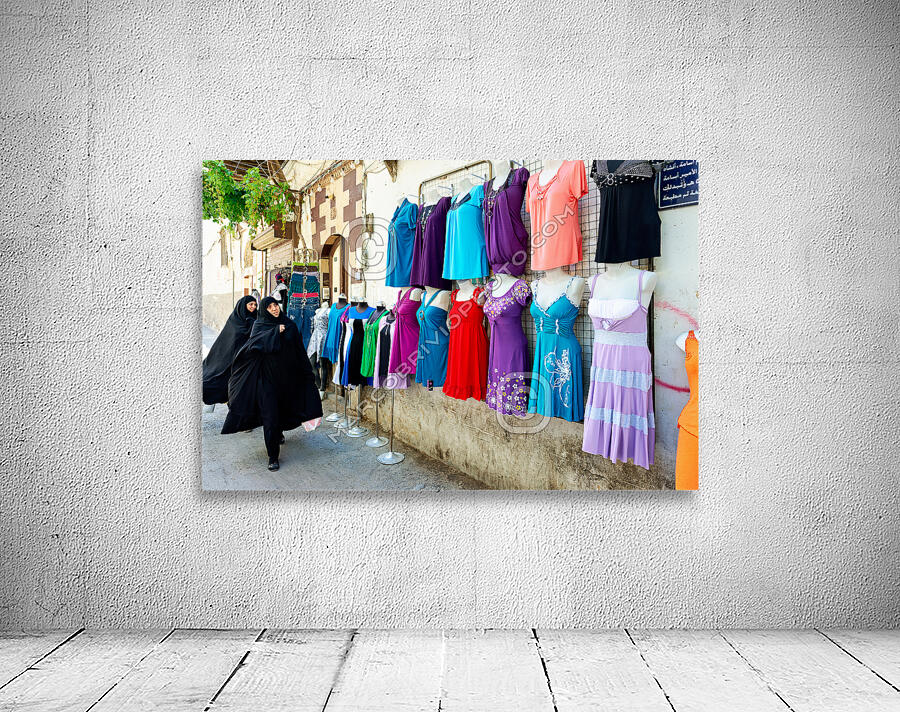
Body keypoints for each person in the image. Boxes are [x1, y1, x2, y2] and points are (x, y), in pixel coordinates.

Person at [222, 297, 323, 471]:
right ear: (264, 310)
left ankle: (279, 432)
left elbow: (299, 352)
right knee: (269, 415)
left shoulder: (290, 325)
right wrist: (275, 332)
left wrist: (308, 374)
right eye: (269, 307)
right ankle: (272, 456)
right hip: (266, 380)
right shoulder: (259, 326)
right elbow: (254, 346)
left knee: (283, 410)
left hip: (287, 380)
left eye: (275, 305)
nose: (274, 309)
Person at [202, 295, 257, 405]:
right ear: (243, 305)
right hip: (230, 358)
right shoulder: (235, 321)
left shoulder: (255, 319)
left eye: (255, 304)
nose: (253, 307)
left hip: (247, 359)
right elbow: (227, 341)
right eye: (250, 304)